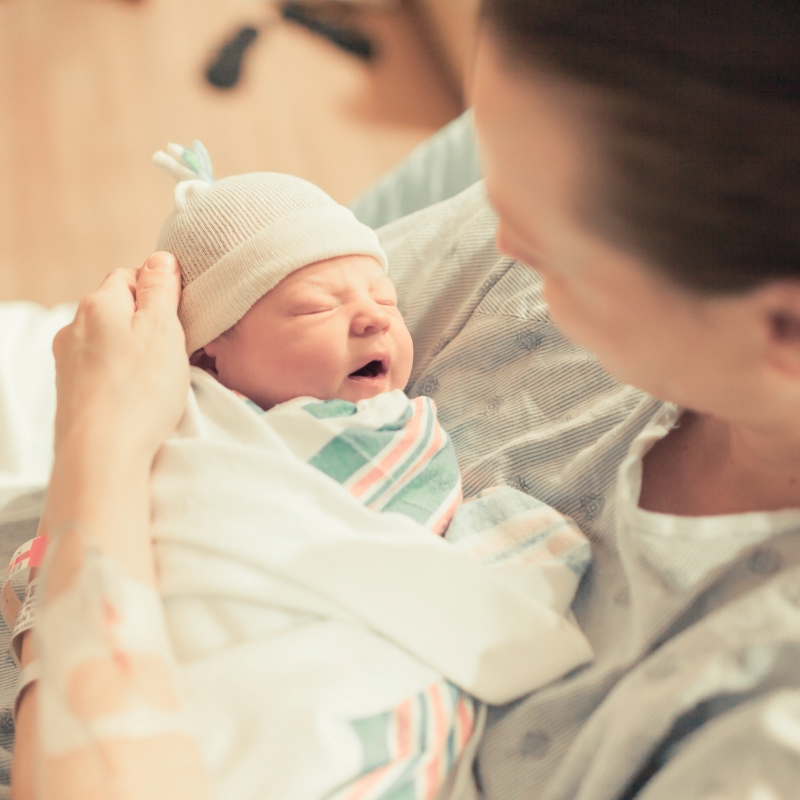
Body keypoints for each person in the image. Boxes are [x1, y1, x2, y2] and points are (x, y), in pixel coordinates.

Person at [12, 0, 800, 798]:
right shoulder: (542, 220)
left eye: (555, 244)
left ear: (782, 328)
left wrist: (100, 440)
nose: (501, 238)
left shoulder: (752, 727)